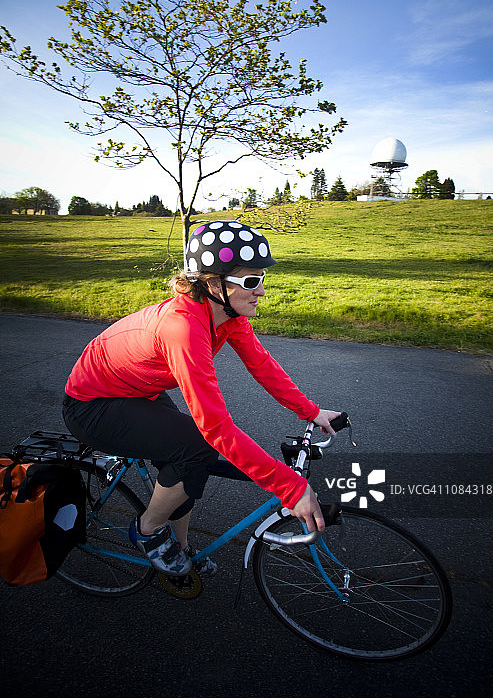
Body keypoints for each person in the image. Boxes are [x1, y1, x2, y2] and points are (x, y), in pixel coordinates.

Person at [62, 220, 340, 577]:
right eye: (251, 282)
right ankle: (148, 532)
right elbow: (216, 427)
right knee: (200, 446)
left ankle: (180, 546)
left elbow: (262, 365)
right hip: (92, 405)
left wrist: (311, 411)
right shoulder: (183, 328)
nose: (262, 291)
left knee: (194, 455)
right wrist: (289, 487)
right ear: (212, 284)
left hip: (135, 390)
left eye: (262, 280)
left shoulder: (228, 315)